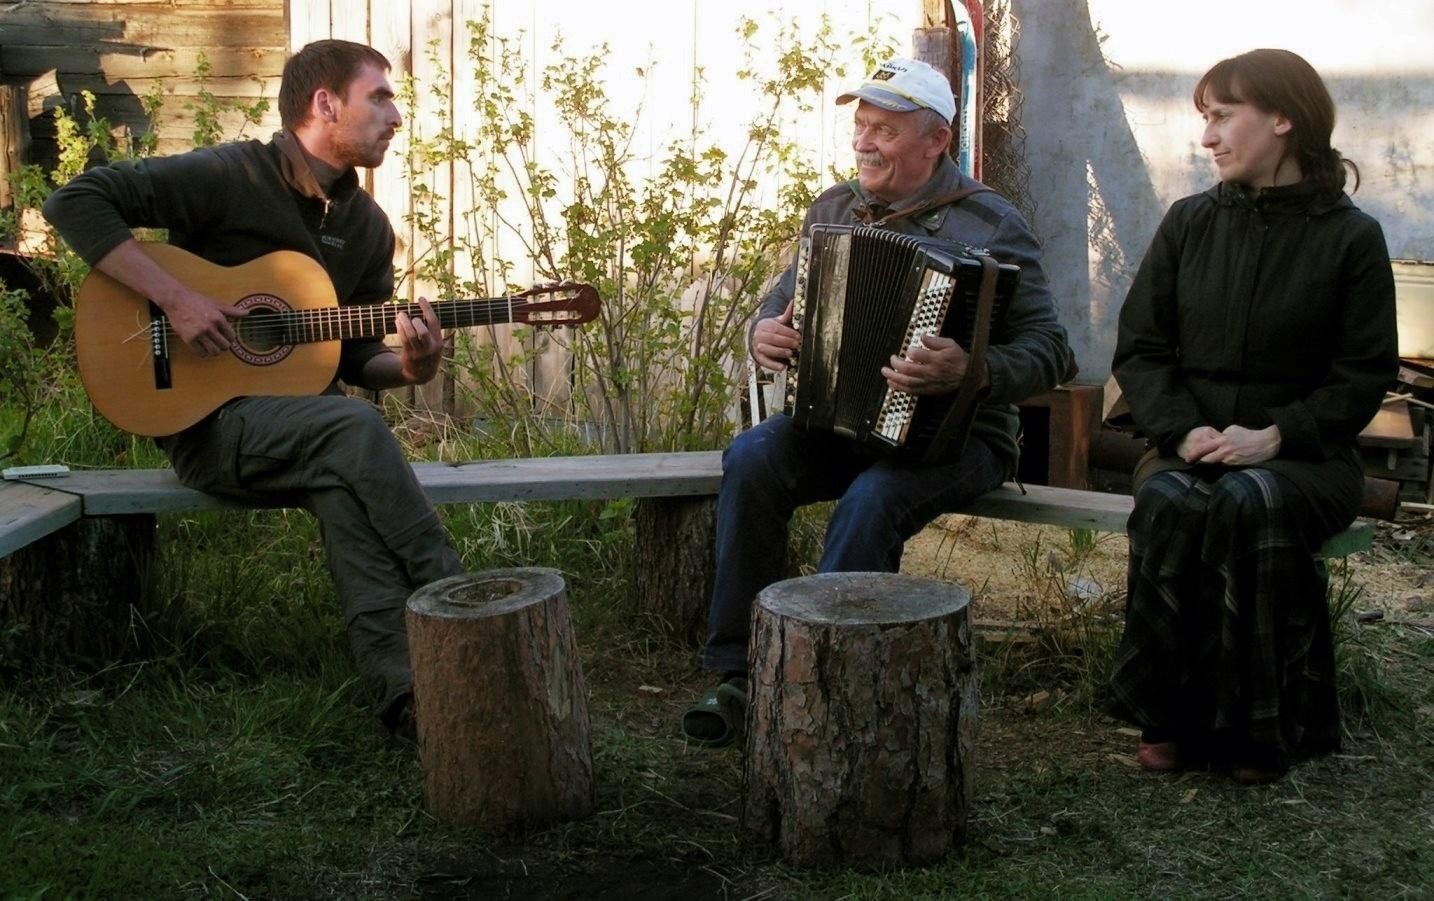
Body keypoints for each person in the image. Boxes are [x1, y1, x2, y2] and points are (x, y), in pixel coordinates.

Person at [43, 40, 465, 738]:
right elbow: (75, 200)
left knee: (341, 482)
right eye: (380, 98)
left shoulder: (367, 228)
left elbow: (359, 354)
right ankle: (458, 596)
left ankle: (410, 701)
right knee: (351, 429)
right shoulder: (230, 174)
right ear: (325, 104)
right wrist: (177, 299)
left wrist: (414, 369)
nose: (397, 116)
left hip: (300, 432)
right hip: (207, 425)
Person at [682, 57, 1074, 746]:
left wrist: (973, 368)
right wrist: (760, 333)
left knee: (872, 498)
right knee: (751, 457)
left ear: (936, 141)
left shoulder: (991, 224)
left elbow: (1053, 351)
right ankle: (738, 673)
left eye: (884, 130)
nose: (864, 142)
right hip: (841, 420)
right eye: (861, 126)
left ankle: (823, 685)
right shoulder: (834, 207)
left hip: (960, 437)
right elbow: (779, 303)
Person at [1109, 49, 1397, 783]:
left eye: (1222, 116)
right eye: (1205, 119)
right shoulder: (1188, 224)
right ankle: (1166, 716)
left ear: (1282, 118)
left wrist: (1278, 434)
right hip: (1190, 443)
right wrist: (1180, 428)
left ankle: (1260, 726)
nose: (1207, 137)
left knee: (1248, 500)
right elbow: (1141, 349)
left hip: (1307, 455)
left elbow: (1362, 375)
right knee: (1171, 497)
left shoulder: (1351, 238)